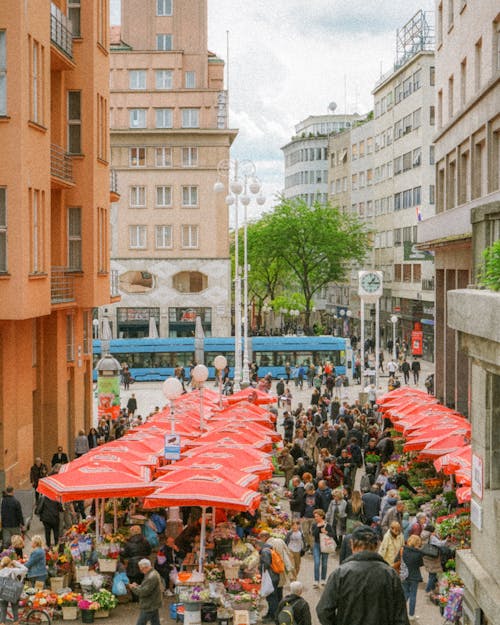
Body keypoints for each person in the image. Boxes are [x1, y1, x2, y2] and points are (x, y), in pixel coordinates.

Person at [316, 525, 410, 625]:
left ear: (351, 544)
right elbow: (401, 617)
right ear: (377, 545)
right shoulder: (390, 575)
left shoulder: (340, 574)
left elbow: (323, 610)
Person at [397, 535, 424, 621]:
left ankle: (400, 613)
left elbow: (397, 560)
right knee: (413, 596)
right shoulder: (419, 553)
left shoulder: (402, 550)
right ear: (417, 543)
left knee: (405, 593)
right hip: (414, 576)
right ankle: (411, 615)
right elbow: (421, 564)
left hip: (404, 575)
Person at [129, 558, 162, 625]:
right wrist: (137, 586)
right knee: (155, 622)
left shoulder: (151, 577)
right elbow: (147, 587)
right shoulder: (153, 572)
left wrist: (133, 588)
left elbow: (143, 592)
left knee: (140, 623)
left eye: (141, 569)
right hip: (153, 603)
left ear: (146, 567)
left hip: (149, 604)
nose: (141, 571)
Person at [311, 509, 334, 588]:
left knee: (324, 563)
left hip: (325, 545)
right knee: (317, 562)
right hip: (317, 545)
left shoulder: (328, 525)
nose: (315, 518)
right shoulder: (315, 524)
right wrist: (318, 527)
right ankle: (316, 580)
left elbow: (333, 535)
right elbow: (313, 534)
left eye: (317, 516)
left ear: (321, 516)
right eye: (315, 516)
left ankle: (323, 579)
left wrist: (326, 532)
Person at [0, 555, 27, 624]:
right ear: (10, 563)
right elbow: (25, 569)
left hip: (3, 594)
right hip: (13, 593)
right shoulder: (13, 571)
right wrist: (17, 563)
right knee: (15, 611)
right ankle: (15, 622)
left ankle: (2, 623)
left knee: (3, 612)